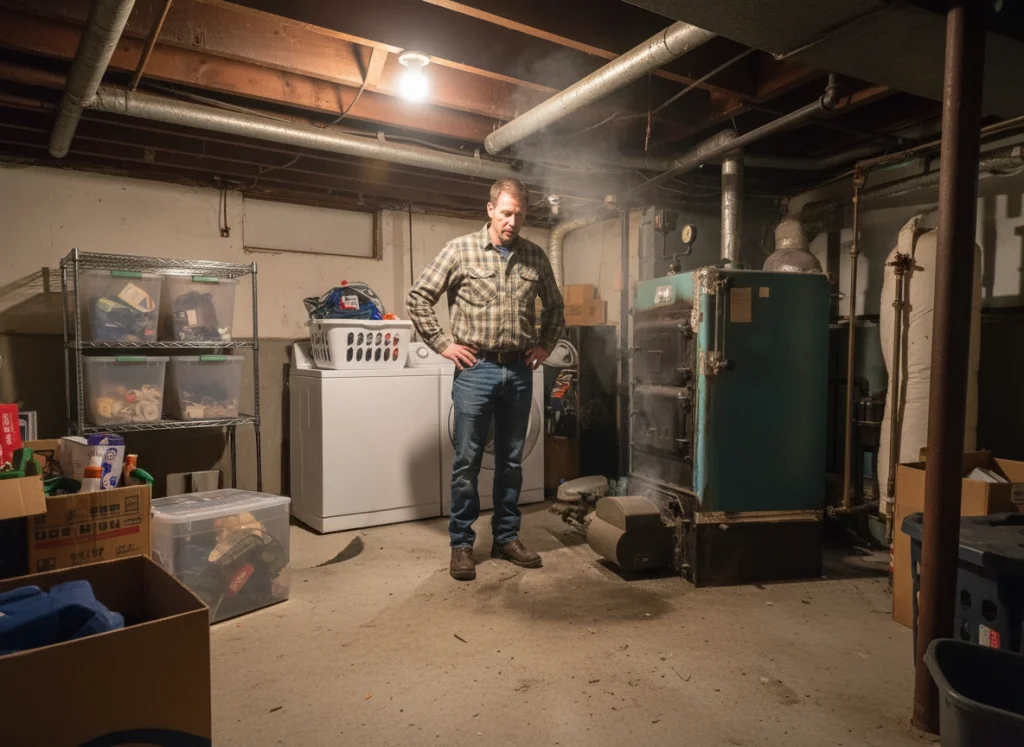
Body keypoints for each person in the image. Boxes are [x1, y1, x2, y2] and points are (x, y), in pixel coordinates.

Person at [407, 178, 565, 581]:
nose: (512, 221)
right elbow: (419, 296)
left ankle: (506, 538)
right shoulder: (459, 250)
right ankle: (462, 545)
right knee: (467, 463)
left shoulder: (534, 256)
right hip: (474, 370)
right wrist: (443, 343)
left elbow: (556, 306)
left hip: (518, 370)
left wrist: (545, 344)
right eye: (506, 213)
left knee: (511, 462)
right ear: (490, 209)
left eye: (520, 215)